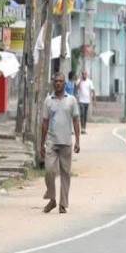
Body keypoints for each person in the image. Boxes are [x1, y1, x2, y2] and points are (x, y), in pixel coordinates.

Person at [41, 72, 81, 214]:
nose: (58, 83)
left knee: (66, 174)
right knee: (49, 171)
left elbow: (76, 120)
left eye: (60, 81)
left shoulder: (71, 100)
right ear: (53, 83)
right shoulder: (48, 101)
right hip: (51, 142)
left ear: (65, 84)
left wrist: (77, 140)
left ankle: (63, 204)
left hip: (66, 142)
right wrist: (41, 144)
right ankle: (52, 199)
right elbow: (45, 122)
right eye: (56, 81)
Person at [76, 70, 95, 134]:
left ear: (87, 75)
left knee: (85, 115)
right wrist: (80, 81)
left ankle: (84, 128)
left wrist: (94, 100)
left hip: (87, 100)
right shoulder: (79, 81)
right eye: (83, 74)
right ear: (82, 75)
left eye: (85, 74)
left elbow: (92, 90)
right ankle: (82, 128)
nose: (84, 75)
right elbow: (77, 87)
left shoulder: (89, 81)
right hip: (81, 100)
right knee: (82, 114)